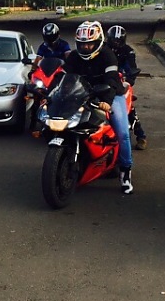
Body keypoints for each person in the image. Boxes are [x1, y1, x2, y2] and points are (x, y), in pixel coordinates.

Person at [63, 21, 134, 194]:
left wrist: (107, 102)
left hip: (109, 94)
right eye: (82, 44)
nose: (86, 47)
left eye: (90, 43)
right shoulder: (73, 56)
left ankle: (125, 172)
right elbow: (64, 79)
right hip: (83, 93)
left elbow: (111, 80)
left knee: (122, 133)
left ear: (98, 41)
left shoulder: (108, 55)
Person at [106, 25, 148, 150]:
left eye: (118, 41)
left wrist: (129, 80)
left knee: (128, 108)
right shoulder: (103, 48)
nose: (115, 44)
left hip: (120, 82)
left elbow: (131, 67)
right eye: (113, 40)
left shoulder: (128, 51)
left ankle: (141, 136)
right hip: (104, 80)